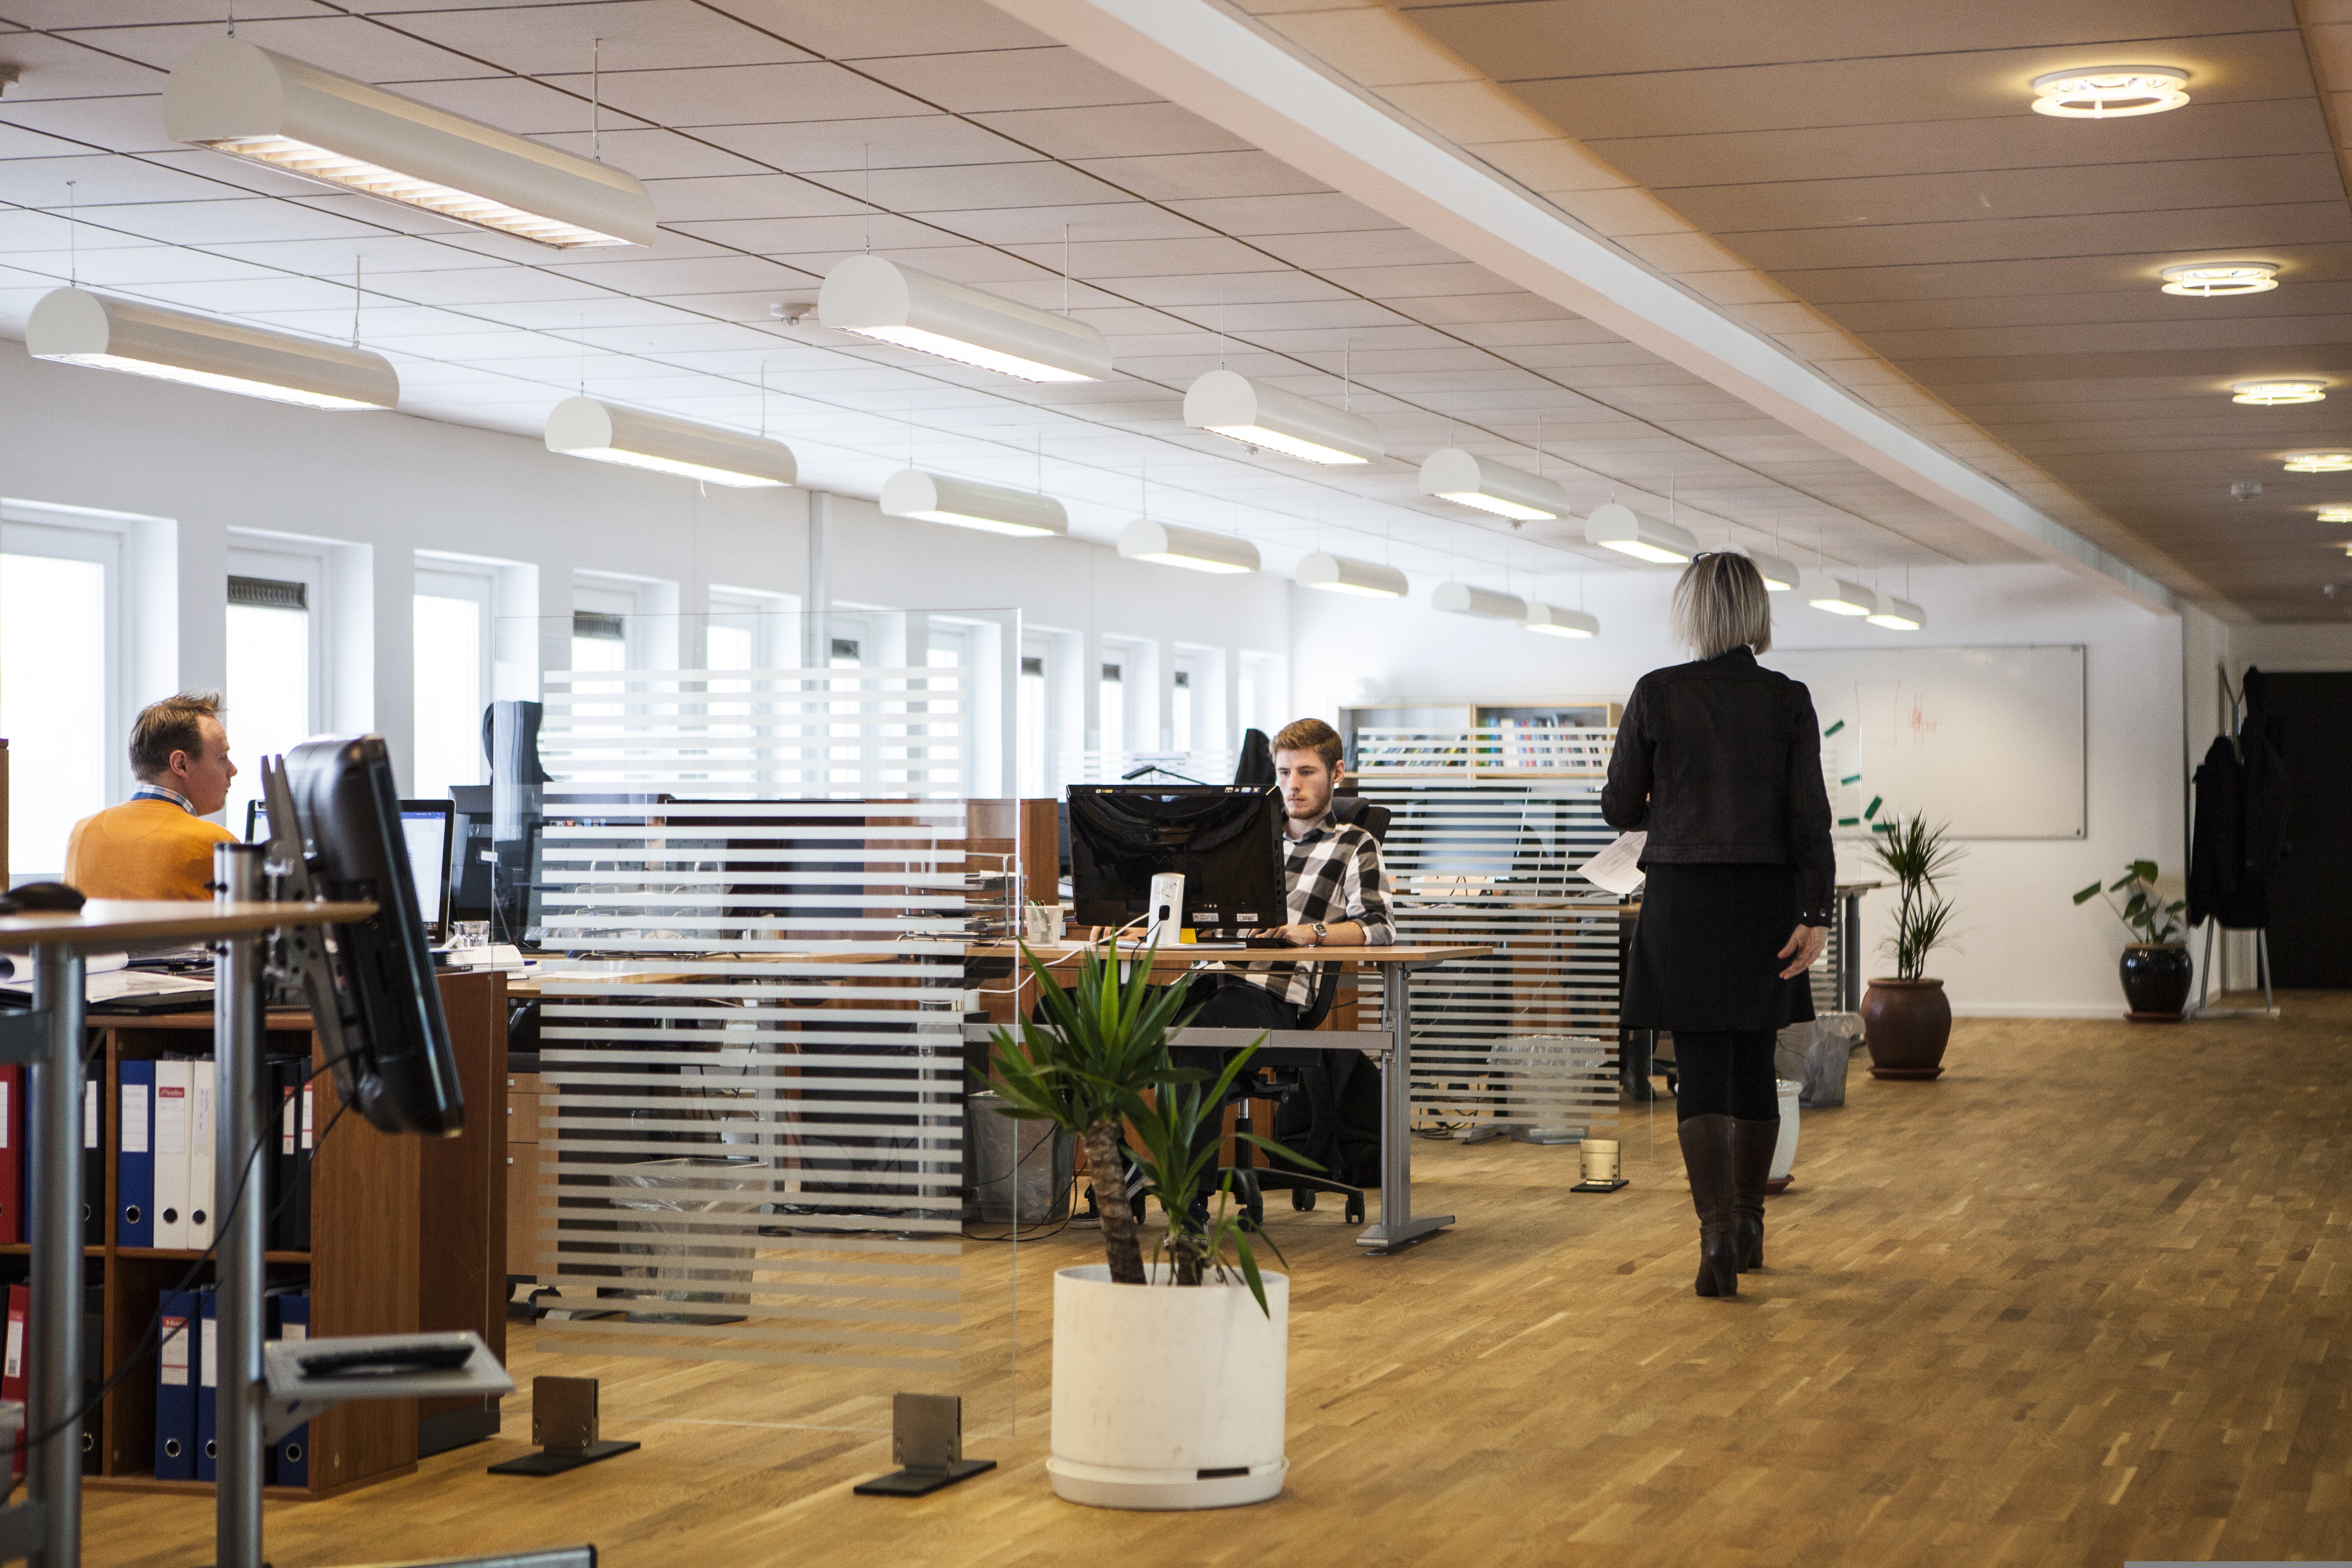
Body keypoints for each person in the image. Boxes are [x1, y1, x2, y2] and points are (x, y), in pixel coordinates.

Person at [1602, 554, 1833, 1299]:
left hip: (1683, 899)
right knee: (1753, 1060)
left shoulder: (1656, 693)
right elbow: (1810, 820)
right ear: (1756, 613)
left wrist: (1663, 809)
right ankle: (1751, 1220)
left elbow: (1615, 807)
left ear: (1692, 612)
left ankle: (1715, 1236)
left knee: (1699, 1065)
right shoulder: (1788, 699)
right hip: (1764, 896)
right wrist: (1816, 913)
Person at [1171, 717, 1395, 1191]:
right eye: (1284, 772)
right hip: (1206, 979)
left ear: (1337, 773)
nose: (1293, 786)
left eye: (1307, 772)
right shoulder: (1245, 842)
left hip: (1271, 994)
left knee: (1193, 1041)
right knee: (1064, 1014)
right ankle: (1115, 1170)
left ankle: (1187, 1199)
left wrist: (1310, 934)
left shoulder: (1355, 845)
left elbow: (1379, 927)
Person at [63, 691, 241, 900]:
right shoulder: (219, 848)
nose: (233, 769)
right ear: (181, 764)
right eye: (223, 758)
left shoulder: (82, 833)